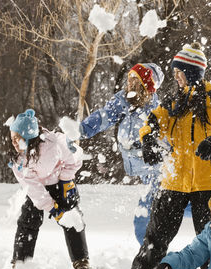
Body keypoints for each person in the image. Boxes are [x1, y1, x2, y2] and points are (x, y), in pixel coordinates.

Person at [126, 42, 211, 269]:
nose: (176, 77)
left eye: (179, 72)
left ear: (192, 72)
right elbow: (153, 120)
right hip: (174, 177)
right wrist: (147, 139)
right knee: (157, 233)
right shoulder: (175, 101)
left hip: (206, 180)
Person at [80, 63, 191, 245]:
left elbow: (171, 139)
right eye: (129, 78)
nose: (130, 83)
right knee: (171, 206)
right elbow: (103, 117)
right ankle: (210, 210)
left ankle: (151, 261)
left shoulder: (156, 110)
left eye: (135, 79)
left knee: (144, 217)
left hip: (158, 170)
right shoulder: (123, 101)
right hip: (145, 170)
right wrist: (81, 130)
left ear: (146, 84)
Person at [1, 109, 101, 269]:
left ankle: (82, 262)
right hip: (39, 188)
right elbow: (33, 188)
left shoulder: (56, 142)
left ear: (28, 136)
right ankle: (20, 265)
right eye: (12, 139)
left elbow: (76, 158)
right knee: (27, 222)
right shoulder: (17, 160)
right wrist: (53, 209)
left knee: (72, 219)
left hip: (61, 183)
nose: (14, 143)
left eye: (17, 138)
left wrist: (65, 180)